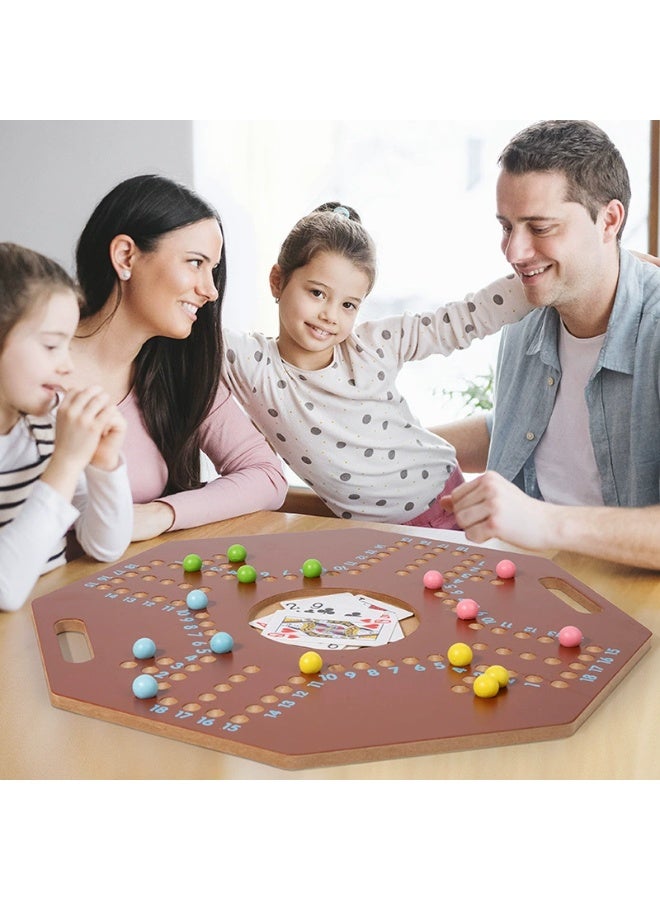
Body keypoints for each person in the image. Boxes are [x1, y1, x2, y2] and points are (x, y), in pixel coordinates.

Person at [222, 201, 533, 528]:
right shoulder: (250, 363)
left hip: (450, 500)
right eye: (316, 293)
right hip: (378, 530)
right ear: (277, 280)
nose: (330, 315)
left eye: (348, 305)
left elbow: (464, 317)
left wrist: (545, 273)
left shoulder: (371, 346)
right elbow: (186, 329)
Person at [439, 120, 660, 570]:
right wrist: (390, 447)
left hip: (632, 601)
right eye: (507, 226)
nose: (515, 253)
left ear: (609, 220)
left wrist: (543, 522)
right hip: (523, 580)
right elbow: (526, 429)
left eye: (540, 227)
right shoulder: (525, 312)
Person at [72, 175, 288, 541]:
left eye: (213, 269)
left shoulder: (179, 370)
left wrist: (162, 514)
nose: (211, 291)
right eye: (195, 262)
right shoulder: (31, 369)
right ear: (126, 256)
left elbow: (267, 475)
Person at [0, 243, 133, 612]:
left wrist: (104, 464)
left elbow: (106, 546)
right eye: (50, 346)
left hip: (45, 622)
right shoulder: (57, 448)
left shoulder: (44, 423)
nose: (67, 366)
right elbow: (5, 588)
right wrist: (66, 461)